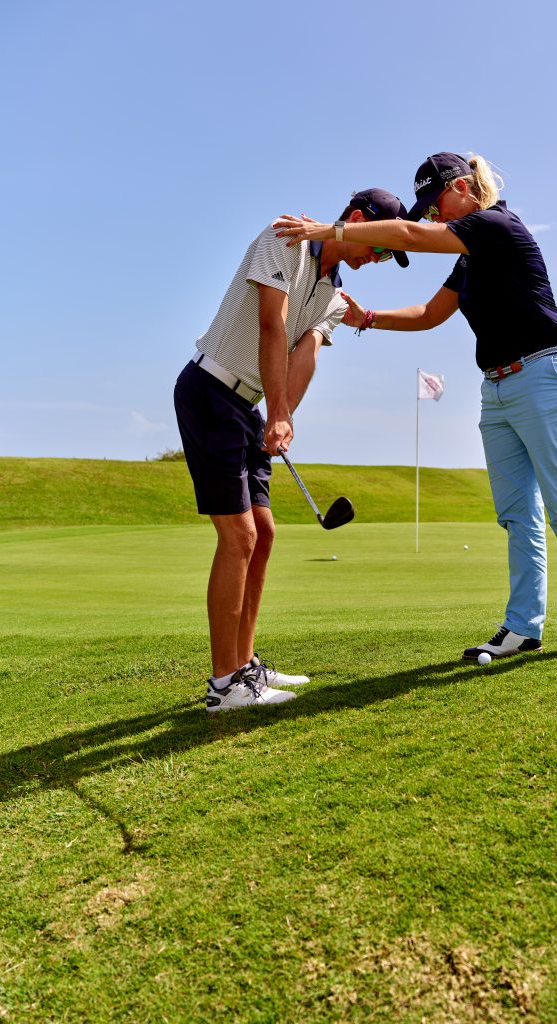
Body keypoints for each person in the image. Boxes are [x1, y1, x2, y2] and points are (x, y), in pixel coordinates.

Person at [274, 153, 557, 658]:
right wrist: (368, 317)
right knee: (517, 515)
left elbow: (413, 237)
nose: (434, 214)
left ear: (463, 186)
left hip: (548, 375)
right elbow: (430, 314)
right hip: (498, 389)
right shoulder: (469, 254)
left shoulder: (495, 225)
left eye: (436, 202)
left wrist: (329, 231)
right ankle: (524, 626)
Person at [175, 188, 410, 712]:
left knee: (264, 535)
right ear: (355, 220)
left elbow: (304, 354)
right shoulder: (284, 238)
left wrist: (284, 417)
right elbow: (270, 325)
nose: (378, 258)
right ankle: (223, 685)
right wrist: (276, 410)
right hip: (210, 389)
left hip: (251, 406)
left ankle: (245, 664)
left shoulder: (333, 295)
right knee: (239, 535)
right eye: (378, 246)